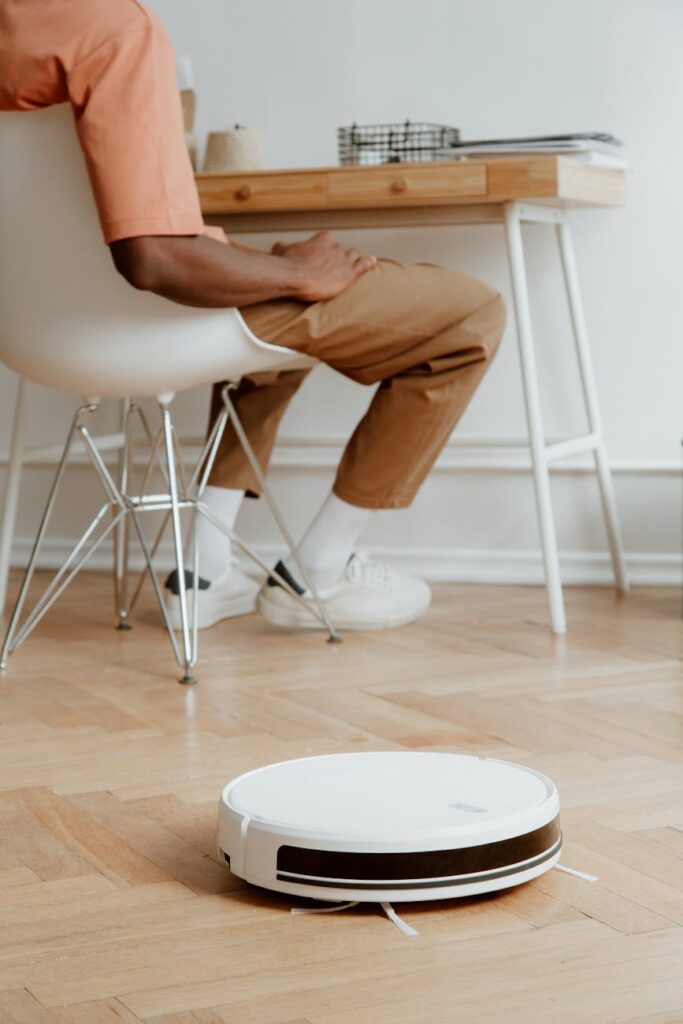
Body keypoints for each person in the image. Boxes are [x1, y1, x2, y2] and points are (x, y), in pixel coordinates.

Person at [0, 0, 506, 632]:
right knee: (473, 316)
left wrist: (261, 263)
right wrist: (297, 274)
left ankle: (205, 570)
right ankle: (321, 569)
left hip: (30, 335)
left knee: (278, 299)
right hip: (150, 320)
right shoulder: (116, 28)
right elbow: (153, 261)